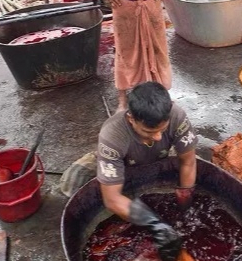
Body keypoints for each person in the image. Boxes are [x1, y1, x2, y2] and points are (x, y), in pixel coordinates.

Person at [58, 82, 197, 220]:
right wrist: (154, 223)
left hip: (159, 156)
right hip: (119, 161)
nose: (158, 137)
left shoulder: (177, 116)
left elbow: (188, 162)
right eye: (148, 131)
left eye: (163, 129)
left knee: (195, 164)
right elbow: (112, 199)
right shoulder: (112, 135)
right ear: (131, 119)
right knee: (72, 180)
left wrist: (185, 201)